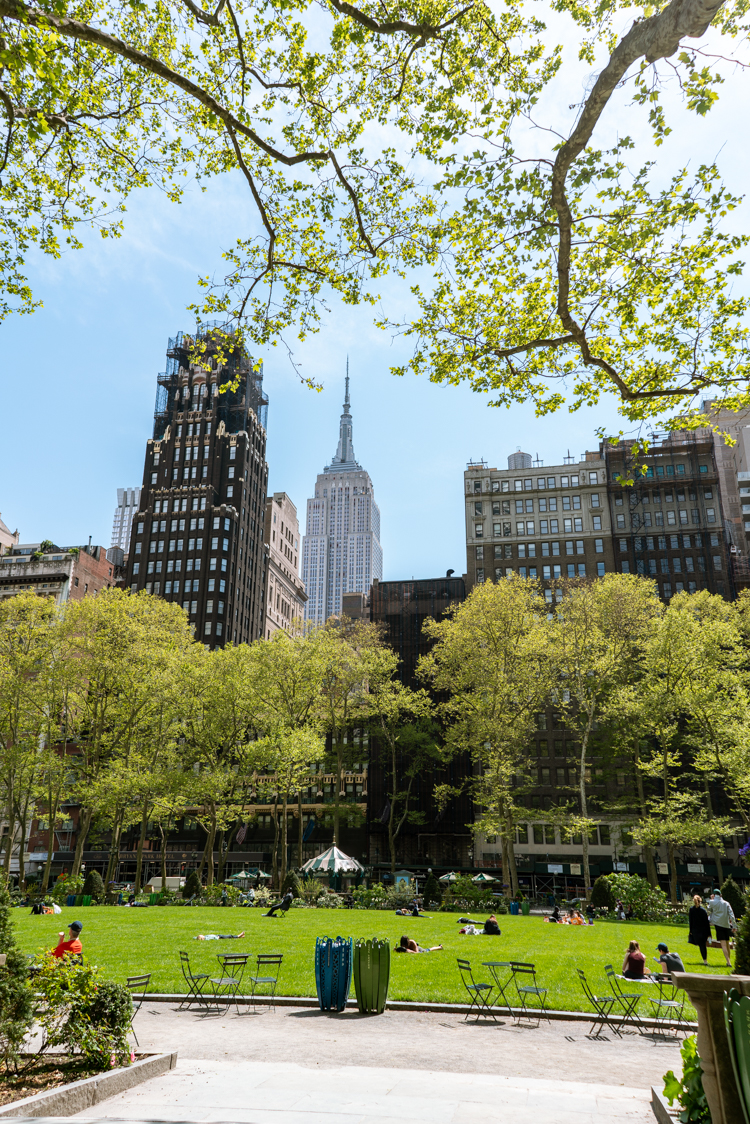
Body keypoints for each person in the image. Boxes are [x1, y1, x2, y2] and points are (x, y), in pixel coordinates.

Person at [707, 889, 736, 968]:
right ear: (720, 895)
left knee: (723, 945)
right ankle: (728, 960)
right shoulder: (726, 903)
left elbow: (708, 910)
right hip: (726, 924)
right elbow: (732, 915)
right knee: (727, 944)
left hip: (718, 924)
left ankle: (728, 962)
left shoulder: (712, 902)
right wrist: (734, 926)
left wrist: (712, 900)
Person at [688, 894, 711, 964]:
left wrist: (690, 931)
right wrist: (709, 933)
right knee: (703, 946)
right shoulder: (703, 911)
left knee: (700, 945)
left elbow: (690, 921)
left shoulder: (691, 910)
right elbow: (706, 923)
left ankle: (704, 960)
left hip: (695, 930)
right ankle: (705, 960)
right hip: (703, 931)